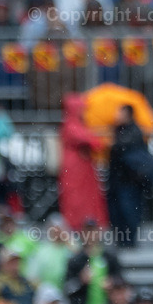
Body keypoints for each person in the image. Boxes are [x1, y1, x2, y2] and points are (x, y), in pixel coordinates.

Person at [107, 105, 153, 248]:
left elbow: (121, 148)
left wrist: (112, 144)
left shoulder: (133, 131)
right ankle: (122, 240)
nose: (117, 115)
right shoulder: (118, 130)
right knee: (117, 212)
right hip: (119, 179)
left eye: (120, 112)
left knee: (129, 211)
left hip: (129, 180)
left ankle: (129, 240)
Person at [58, 93, 109, 230]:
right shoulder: (72, 125)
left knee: (82, 197)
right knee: (77, 198)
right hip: (76, 167)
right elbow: (92, 141)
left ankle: (84, 224)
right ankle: (80, 224)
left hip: (80, 166)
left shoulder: (73, 124)